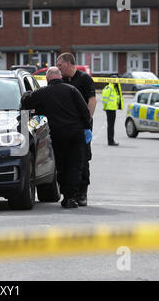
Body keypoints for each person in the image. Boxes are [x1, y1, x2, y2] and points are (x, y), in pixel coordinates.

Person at [21, 67, 92, 208]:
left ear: (47, 79)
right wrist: (86, 128)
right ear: (60, 77)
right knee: (75, 165)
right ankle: (72, 197)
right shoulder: (72, 90)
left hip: (59, 134)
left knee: (62, 165)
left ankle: (66, 195)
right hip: (76, 133)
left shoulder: (42, 93)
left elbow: (26, 102)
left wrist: (27, 93)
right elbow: (85, 111)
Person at [56, 52, 96, 206]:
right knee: (66, 160)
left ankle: (82, 193)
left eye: (60, 65)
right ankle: (69, 193)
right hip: (66, 127)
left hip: (81, 126)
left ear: (69, 63)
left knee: (83, 160)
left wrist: (87, 122)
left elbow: (92, 100)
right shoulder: (62, 80)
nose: (58, 68)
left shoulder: (84, 78)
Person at [102, 75, 123, 146]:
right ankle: (110, 141)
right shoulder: (109, 88)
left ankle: (111, 140)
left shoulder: (114, 88)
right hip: (109, 109)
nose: (117, 81)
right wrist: (104, 107)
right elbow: (105, 99)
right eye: (116, 80)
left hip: (113, 108)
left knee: (111, 125)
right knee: (110, 125)